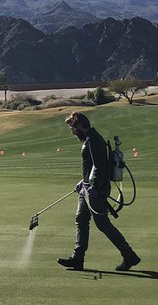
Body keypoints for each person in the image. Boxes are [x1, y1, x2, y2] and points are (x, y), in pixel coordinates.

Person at [58, 112, 140, 272]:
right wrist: (83, 181)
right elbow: (92, 166)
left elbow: (99, 166)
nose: (72, 132)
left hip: (96, 189)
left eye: (72, 128)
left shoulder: (94, 140)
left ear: (79, 124)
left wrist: (93, 186)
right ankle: (77, 258)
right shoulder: (90, 139)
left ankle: (129, 256)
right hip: (88, 188)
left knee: (103, 224)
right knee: (81, 219)